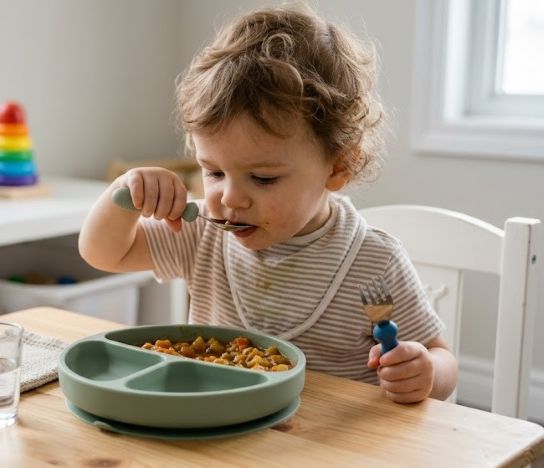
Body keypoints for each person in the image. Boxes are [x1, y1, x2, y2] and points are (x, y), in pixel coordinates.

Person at [79, 5, 457, 403]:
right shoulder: (202, 233)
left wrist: (425, 372)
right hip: (219, 431)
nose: (229, 198)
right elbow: (103, 254)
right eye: (214, 172)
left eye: (263, 178)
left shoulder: (372, 266)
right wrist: (125, 195)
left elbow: (439, 355)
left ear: (338, 166)